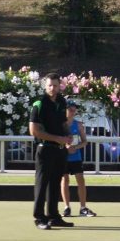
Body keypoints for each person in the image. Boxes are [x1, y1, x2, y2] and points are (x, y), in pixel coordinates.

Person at [28, 73, 74, 230]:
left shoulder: (62, 101)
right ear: (45, 86)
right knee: (42, 185)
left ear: (59, 86)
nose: (52, 88)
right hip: (45, 149)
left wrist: (67, 135)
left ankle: (53, 216)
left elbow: (63, 123)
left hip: (60, 151)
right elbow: (33, 131)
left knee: (55, 184)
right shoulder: (39, 104)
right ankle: (39, 218)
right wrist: (57, 139)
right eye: (50, 85)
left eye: (55, 85)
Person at [60, 101, 96, 218]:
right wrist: (65, 147)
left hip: (76, 157)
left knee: (81, 180)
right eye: (70, 109)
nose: (72, 112)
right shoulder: (60, 124)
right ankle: (67, 207)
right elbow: (57, 140)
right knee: (64, 180)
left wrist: (75, 147)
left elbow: (85, 141)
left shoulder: (79, 125)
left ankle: (83, 207)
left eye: (74, 110)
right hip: (63, 157)